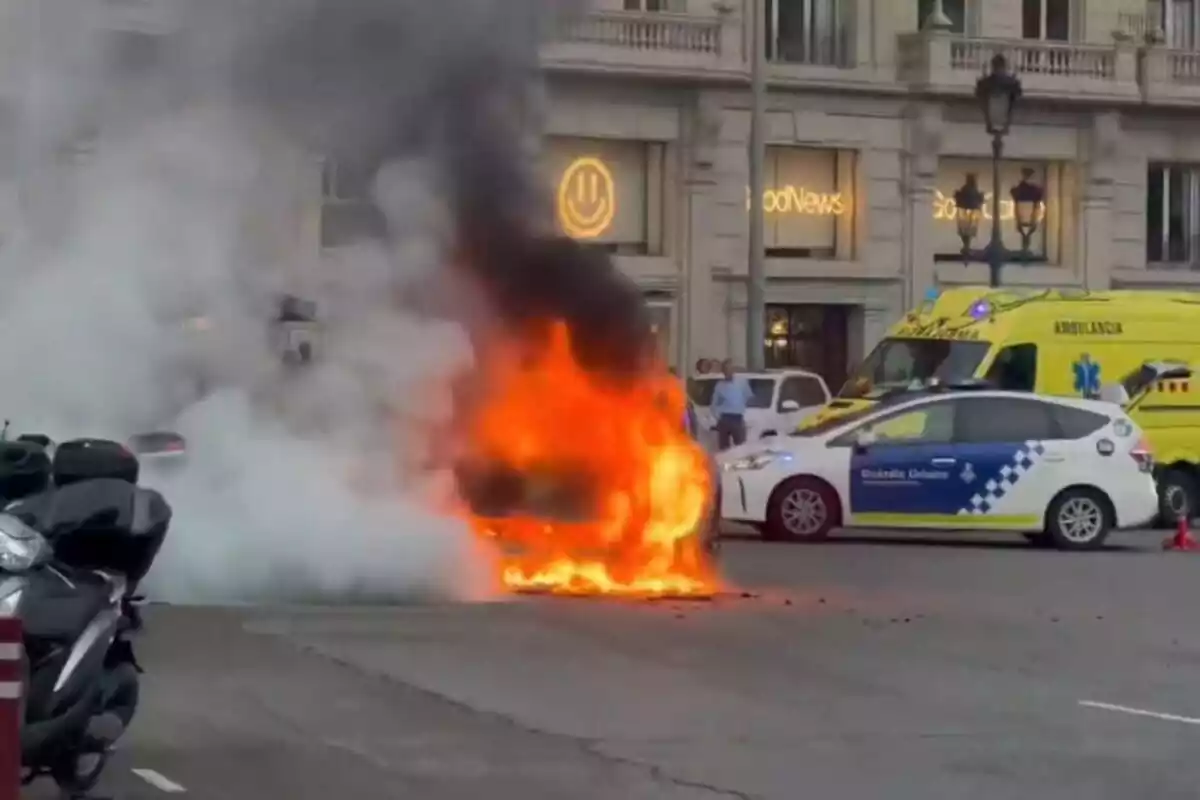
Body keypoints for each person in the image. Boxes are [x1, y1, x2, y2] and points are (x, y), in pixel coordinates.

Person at [711, 359, 754, 450]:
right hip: (724, 418)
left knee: (741, 447)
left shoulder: (741, 382)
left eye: (730, 368)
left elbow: (749, 396)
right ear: (723, 371)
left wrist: (743, 408)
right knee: (724, 448)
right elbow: (714, 404)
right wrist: (718, 416)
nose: (728, 371)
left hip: (737, 418)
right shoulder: (719, 386)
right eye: (726, 369)